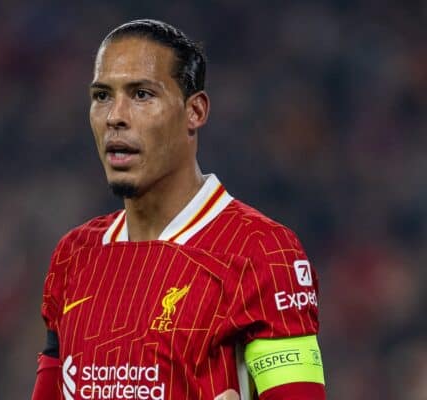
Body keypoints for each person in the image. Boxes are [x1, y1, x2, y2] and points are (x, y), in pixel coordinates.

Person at [32, 19, 326, 400]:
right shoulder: (74, 257)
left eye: (141, 94)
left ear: (195, 111)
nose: (114, 116)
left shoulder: (262, 252)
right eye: (102, 95)